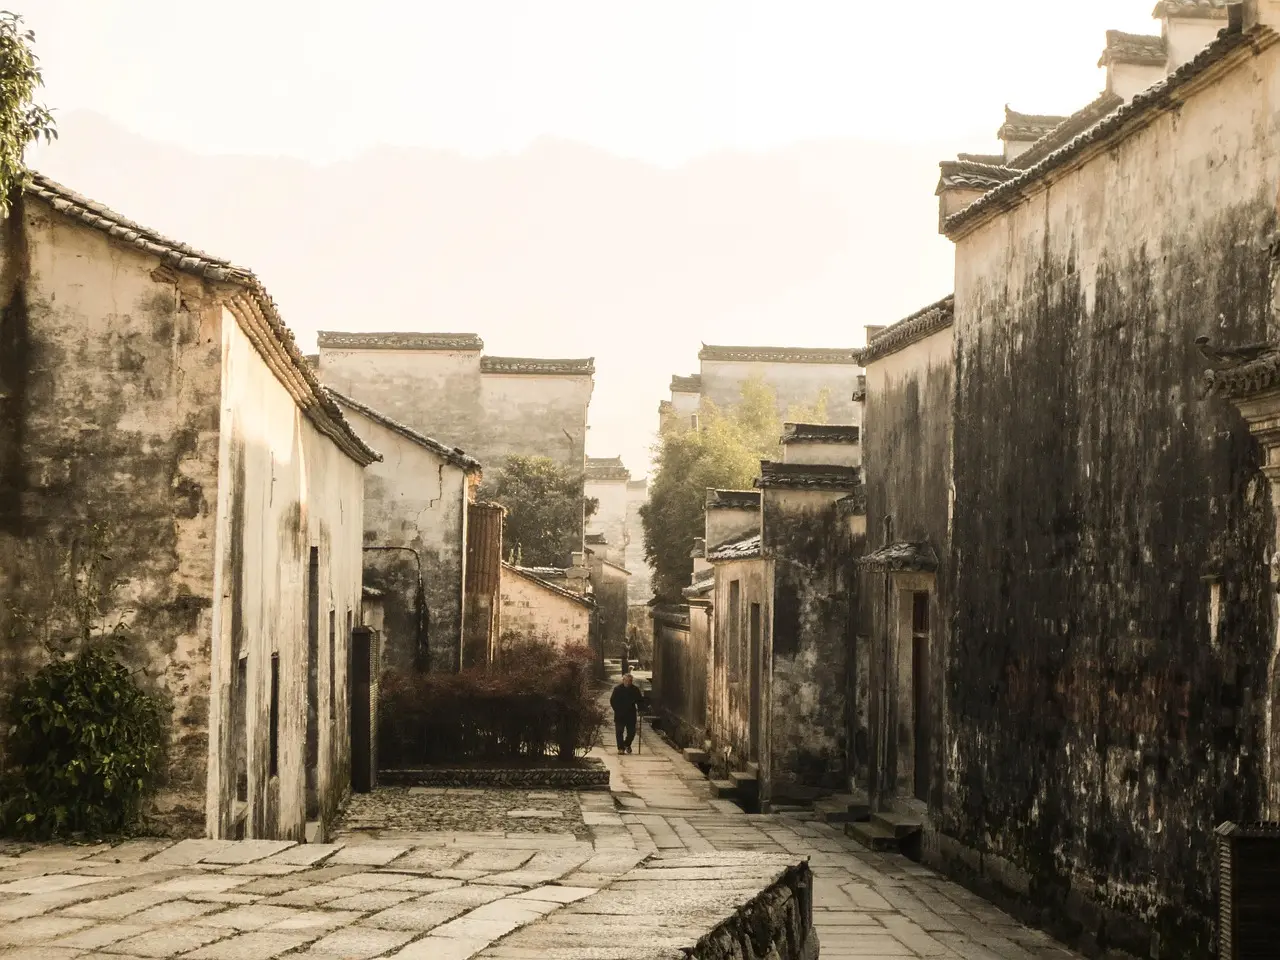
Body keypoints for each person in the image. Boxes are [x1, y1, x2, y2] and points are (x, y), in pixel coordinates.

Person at [610, 673, 643, 754]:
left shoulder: (635, 689)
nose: (628, 682)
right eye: (626, 681)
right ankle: (620, 748)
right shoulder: (617, 689)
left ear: (632, 681)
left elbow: (640, 701)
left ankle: (626, 744)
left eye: (630, 681)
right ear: (623, 680)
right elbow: (612, 701)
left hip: (631, 714)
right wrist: (617, 710)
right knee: (619, 732)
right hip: (620, 714)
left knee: (632, 733)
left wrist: (641, 709)